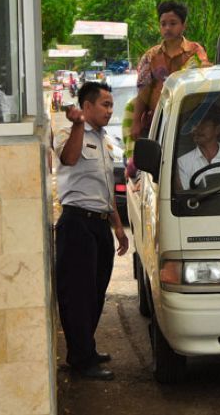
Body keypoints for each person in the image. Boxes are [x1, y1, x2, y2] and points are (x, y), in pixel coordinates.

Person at [54, 81, 129, 381]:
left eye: (111, 105)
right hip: (76, 224)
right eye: (105, 104)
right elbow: (68, 159)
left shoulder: (105, 139)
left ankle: (86, 347)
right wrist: (77, 127)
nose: (110, 110)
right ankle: (81, 359)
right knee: (78, 295)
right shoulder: (68, 132)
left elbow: (106, 187)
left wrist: (119, 227)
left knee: (96, 291)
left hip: (99, 224)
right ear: (87, 106)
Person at [129, 0, 209, 141]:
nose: (167, 28)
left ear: (183, 25)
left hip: (189, 121)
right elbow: (143, 93)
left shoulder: (195, 51)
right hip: (158, 122)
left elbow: (203, 79)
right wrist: (135, 122)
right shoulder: (151, 56)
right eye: (163, 24)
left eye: (173, 23)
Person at [177, 105, 220, 189]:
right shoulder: (183, 163)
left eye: (203, 124)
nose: (195, 129)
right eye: (193, 124)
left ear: (218, 129)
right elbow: (185, 197)